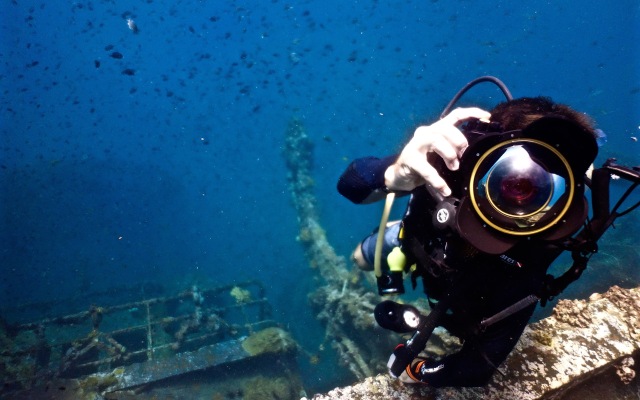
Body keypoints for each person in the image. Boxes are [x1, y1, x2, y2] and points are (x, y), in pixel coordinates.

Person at [337, 92, 602, 387]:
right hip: (417, 239)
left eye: (542, 186)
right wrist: (396, 173)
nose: (519, 188)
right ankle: (394, 237)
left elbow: (479, 367)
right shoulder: (448, 167)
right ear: (479, 151)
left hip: (478, 283)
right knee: (360, 258)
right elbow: (351, 184)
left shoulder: (533, 252)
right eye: (508, 175)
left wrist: (415, 371)